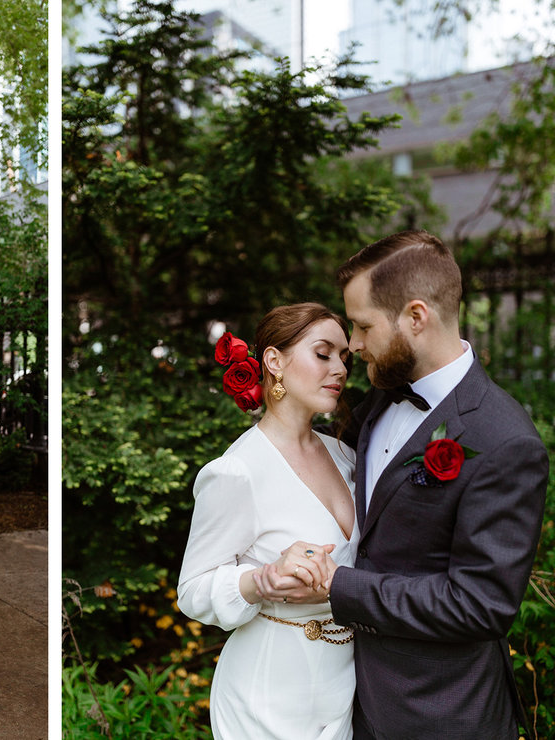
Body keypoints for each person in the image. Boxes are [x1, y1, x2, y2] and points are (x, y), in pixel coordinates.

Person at [255, 230, 548, 739]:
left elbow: (479, 604)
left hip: (439, 712)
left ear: (416, 317)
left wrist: (338, 586)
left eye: (363, 325)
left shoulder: (504, 441)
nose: (354, 344)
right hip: (345, 698)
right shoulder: (381, 397)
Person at [177, 303, 356, 740]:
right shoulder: (238, 471)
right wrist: (262, 580)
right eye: (323, 353)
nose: (339, 369)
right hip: (266, 695)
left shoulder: (346, 456)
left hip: (346, 685)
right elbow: (191, 590)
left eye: (344, 358)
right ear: (274, 361)